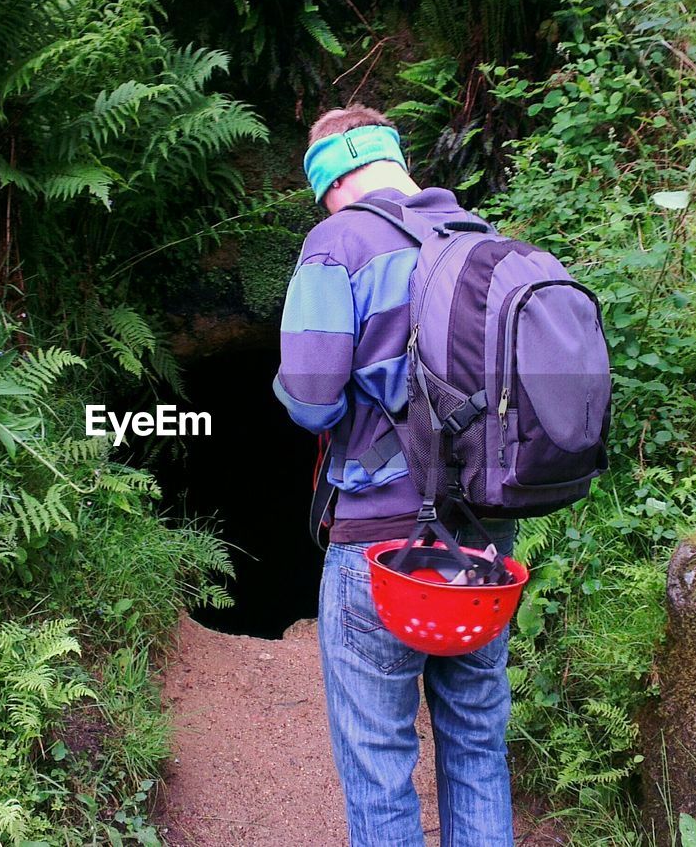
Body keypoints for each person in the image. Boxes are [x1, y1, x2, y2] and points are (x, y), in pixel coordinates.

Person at [272, 104, 518, 847]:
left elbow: (312, 403)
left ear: (333, 176)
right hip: (482, 548)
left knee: (380, 762)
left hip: (380, 552)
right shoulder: (483, 241)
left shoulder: (337, 241)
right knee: (477, 747)